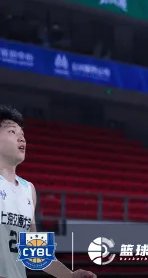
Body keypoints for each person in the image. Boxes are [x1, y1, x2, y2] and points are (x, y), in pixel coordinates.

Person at [0, 106, 96, 278]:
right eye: (12, 131)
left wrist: (70, 275)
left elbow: (34, 252)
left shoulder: (28, 189)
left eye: (22, 134)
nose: (21, 138)